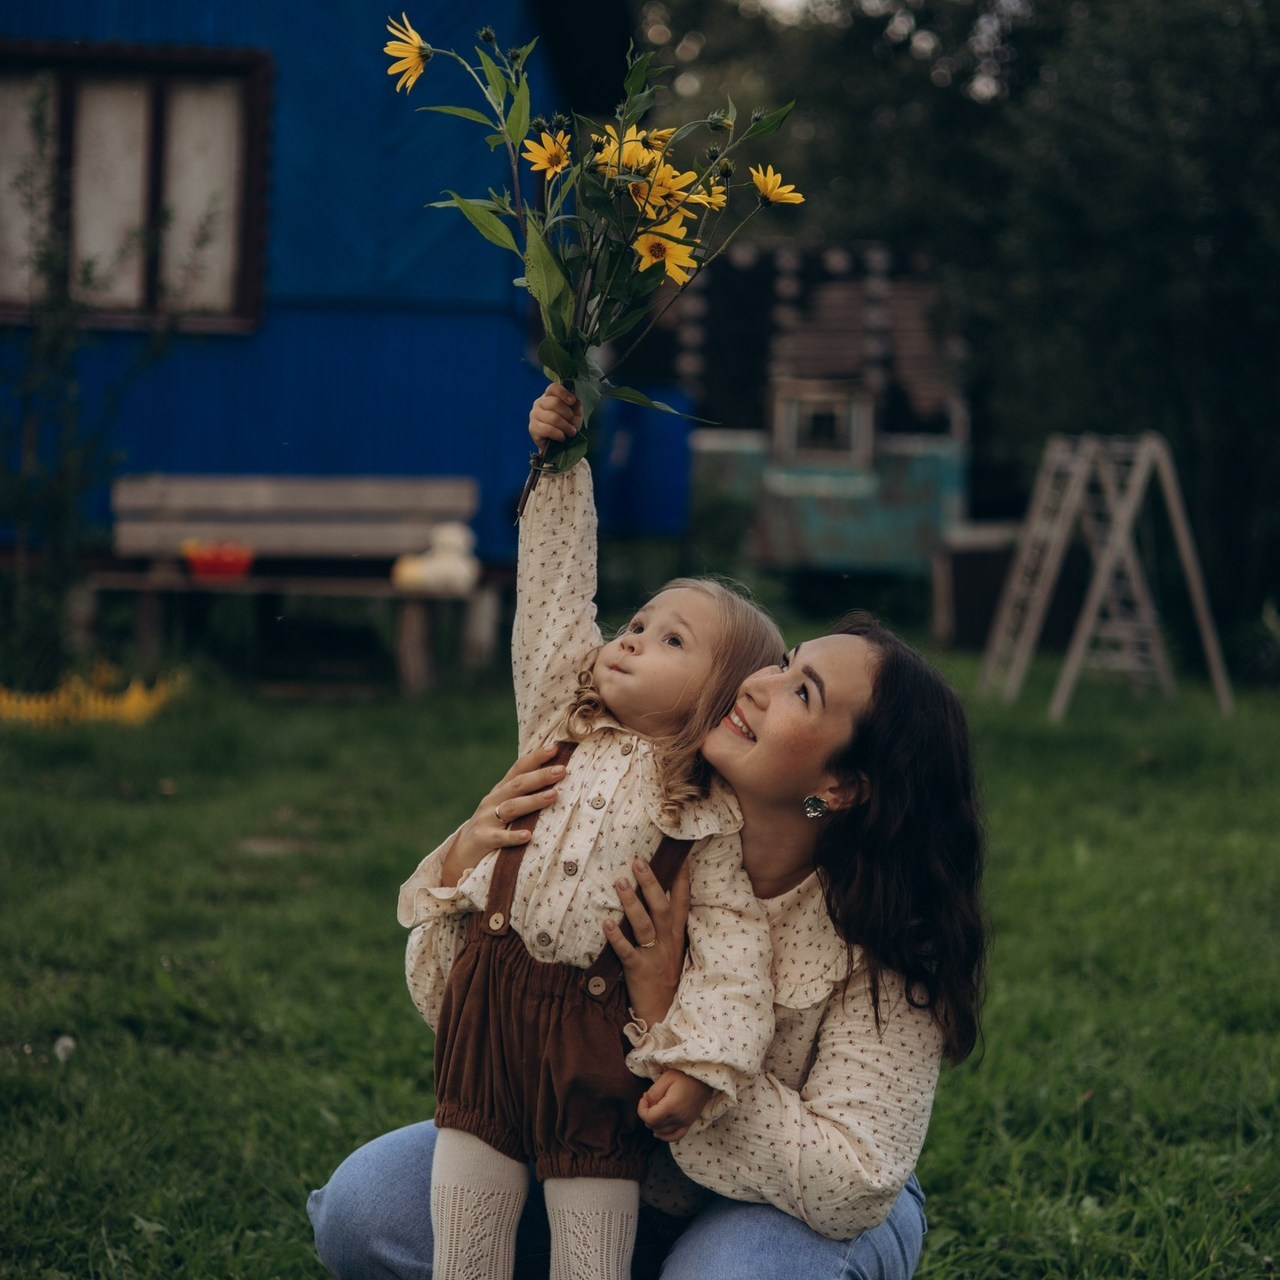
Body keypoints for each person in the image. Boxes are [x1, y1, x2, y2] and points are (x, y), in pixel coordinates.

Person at [309, 416, 988, 1280]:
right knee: (363, 1213)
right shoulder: (654, 821)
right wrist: (469, 864)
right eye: (782, 662)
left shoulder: (888, 939)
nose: (760, 682)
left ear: (845, 787)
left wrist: (670, 1015)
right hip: (576, 1149)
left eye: (802, 690)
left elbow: (852, 1183)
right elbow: (463, 1004)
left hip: (781, 1217)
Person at [401, 385, 785, 1280]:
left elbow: (735, 962)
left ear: (717, 703)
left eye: (669, 640)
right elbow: (554, 592)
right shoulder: (557, 719)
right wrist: (562, 465)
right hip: (490, 1016)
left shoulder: (705, 818)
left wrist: (704, 1065)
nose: (632, 638)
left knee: (589, 1258)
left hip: (599, 1055)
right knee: (466, 1249)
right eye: (638, 621)